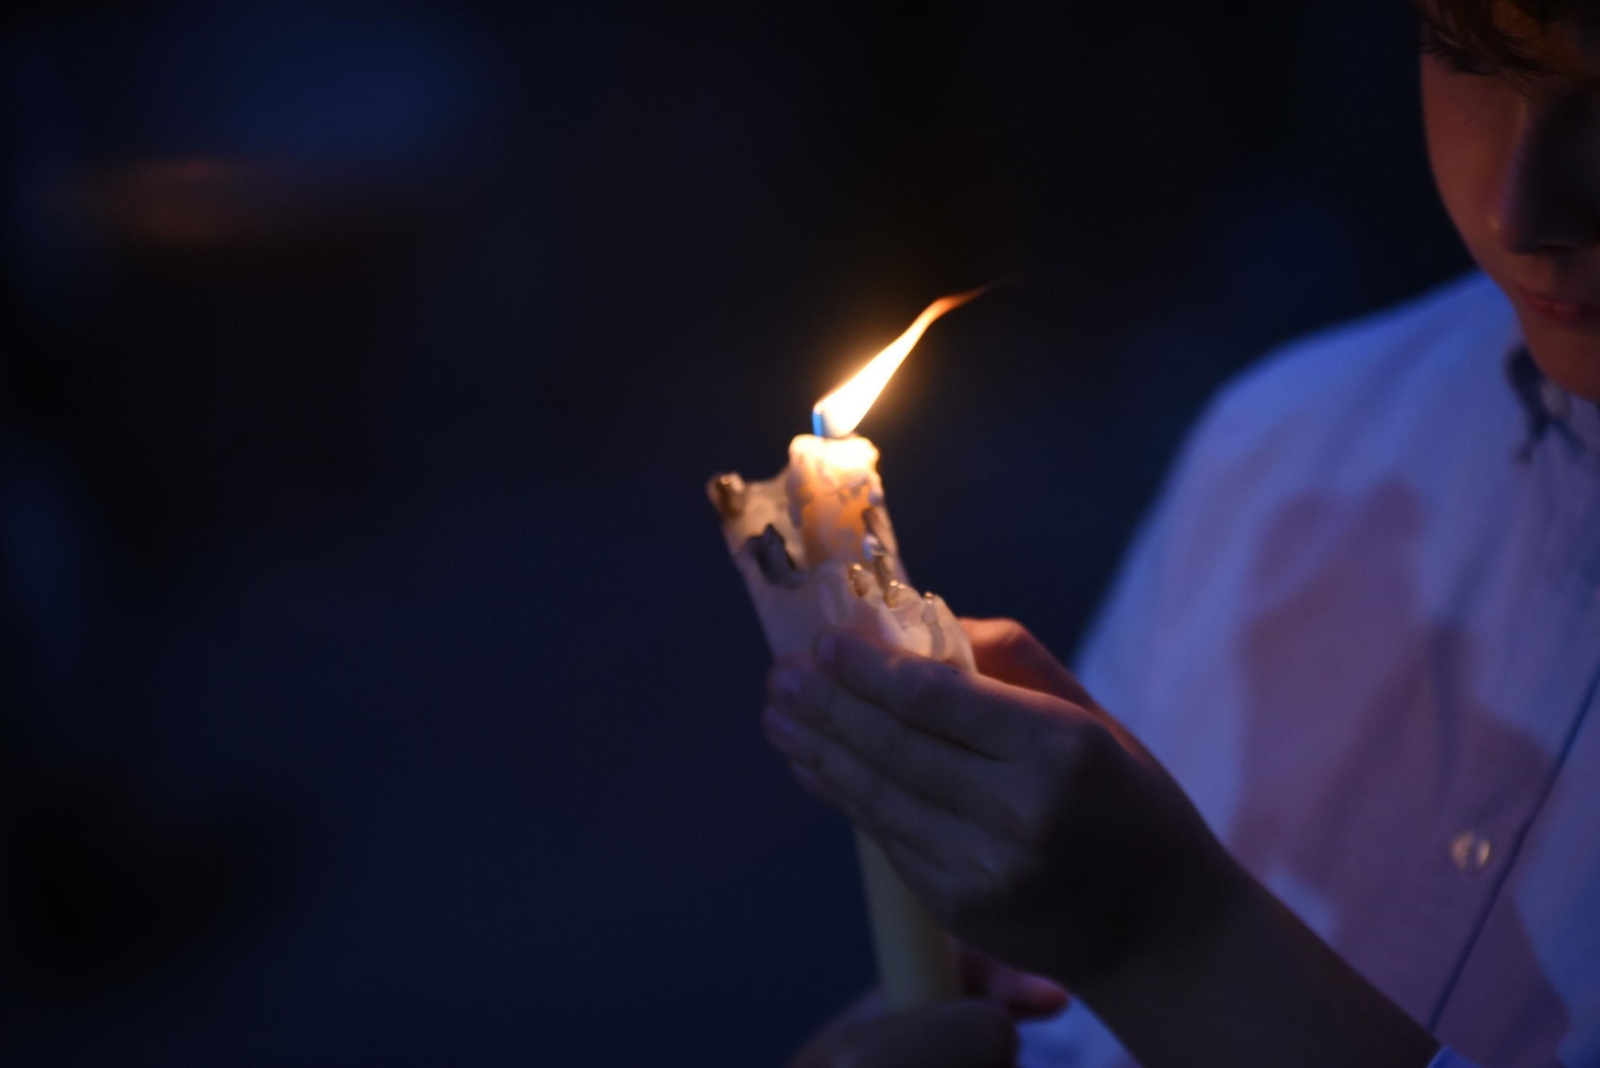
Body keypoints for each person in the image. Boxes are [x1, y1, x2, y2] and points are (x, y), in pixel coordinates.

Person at [761, 4, 1600, 1066]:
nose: (1523, 205)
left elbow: (1137, 940)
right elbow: (1064, 1035)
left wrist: (1165, 937)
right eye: (1474, 56)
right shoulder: (1285, 447)